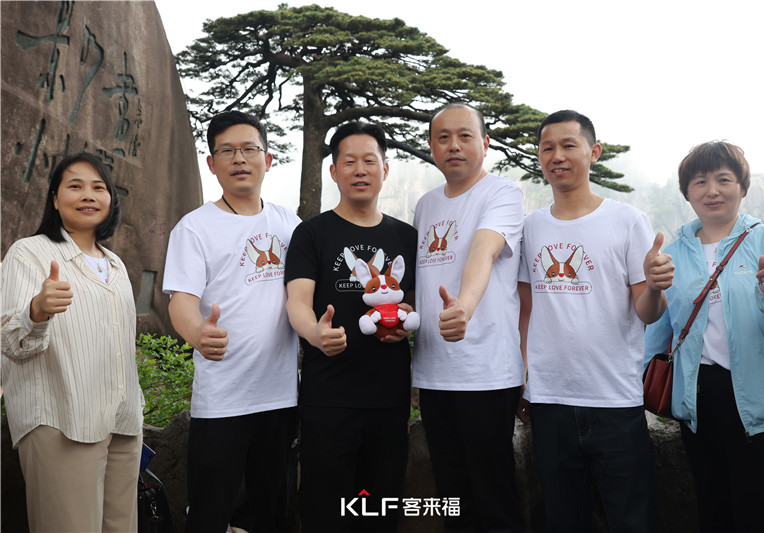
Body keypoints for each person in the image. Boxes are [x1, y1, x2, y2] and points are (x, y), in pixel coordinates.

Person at [517, 110, 672, 532]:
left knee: (633, 520)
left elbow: (648, 312)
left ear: (594, 152)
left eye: (569, 145)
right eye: (547, 147)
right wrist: (522, 378)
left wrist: (655, 285)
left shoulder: (627, 220)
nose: (557, 156)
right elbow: (525, 310)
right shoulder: (531, 227)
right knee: (563, 519)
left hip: (615, 402)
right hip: (549, 402)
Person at [644, 141, 764, 533]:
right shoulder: (674, 253)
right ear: (687, 192)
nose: (712, 190)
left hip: (763, 396)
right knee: (713, 512)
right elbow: (657, 331)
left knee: (762, 518)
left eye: (723, 180)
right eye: (700, 182)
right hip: (699, 401)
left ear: (743, 187)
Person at [163, 111, 300, 533]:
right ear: (212, 163)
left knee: (274, 512)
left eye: (249, 149)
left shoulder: (290, 224)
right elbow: (181, 302)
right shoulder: (194, 228)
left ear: (268, 159)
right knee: (209, 512)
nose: (239, 159)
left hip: (281, 398)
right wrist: (197, 333)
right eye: (227, 151)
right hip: (222, 399)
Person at [284, 121, 417, 532]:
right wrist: (315, 334)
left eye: (369, 161)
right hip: (328, 397)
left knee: (381, 508)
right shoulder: (311, 233)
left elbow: (414, 304)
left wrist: (406, 323)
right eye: (350, 162)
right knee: (325, 509)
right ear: (334, 171)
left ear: (385, 169)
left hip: (389, 398)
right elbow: (297, 302)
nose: (360, 170)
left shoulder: (407, 237)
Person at [1, 153, 144, 532]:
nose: (88, 195)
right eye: (75, 186)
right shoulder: (29, 253)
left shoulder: (116, 265)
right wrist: (37, 311)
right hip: (61, 420)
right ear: (54, 197)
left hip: (123, 424)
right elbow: (10, 342)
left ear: (111, 198)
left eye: (99, 187)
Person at [412, 103, 526, 532]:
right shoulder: (426, 205)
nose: (453, 146)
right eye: (443, 138)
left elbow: (484, 249)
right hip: (434, 372)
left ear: (485, 142)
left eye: (464, 136)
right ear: (431, 146)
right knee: (452, 495)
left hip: (486, 372)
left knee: (492, 492)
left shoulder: (501, 193)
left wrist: (465, 305)